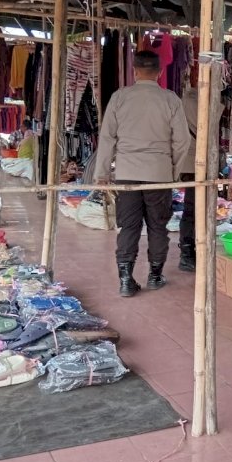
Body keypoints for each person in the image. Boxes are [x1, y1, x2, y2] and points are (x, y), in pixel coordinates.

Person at [94, 50, 191, 297]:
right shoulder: (170, 99)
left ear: (134, 71)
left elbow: (107, 139)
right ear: (160, 73)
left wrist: (102, 174)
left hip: (127, 173)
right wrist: (172, 171)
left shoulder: (120, 97)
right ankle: (155, 276)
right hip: (159, 174)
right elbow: (182, 142)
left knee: (129, 228)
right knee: (158, 227)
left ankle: (126, 280)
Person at [177, 84, 198, 272]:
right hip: (194, 162)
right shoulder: (192, 100)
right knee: (192, 209)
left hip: (193, 161)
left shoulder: (189, 99)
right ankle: (187, 252)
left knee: (194, 208)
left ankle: (190, 250)